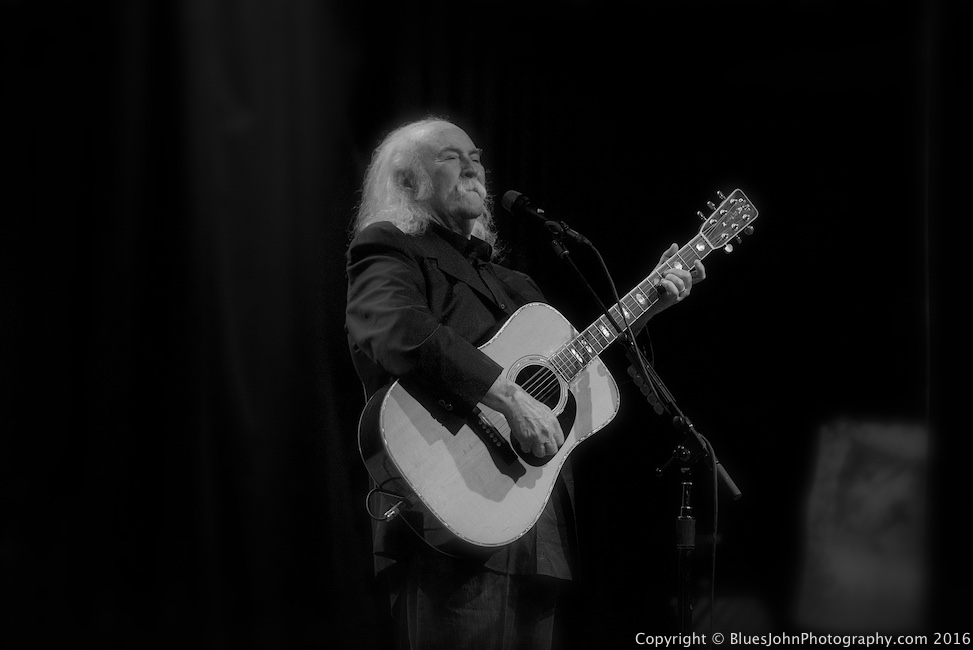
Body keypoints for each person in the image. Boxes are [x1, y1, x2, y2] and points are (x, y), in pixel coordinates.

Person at [345, 117, 704, 649]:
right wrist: (509, 398)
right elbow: (397, 330)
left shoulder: (514, 284)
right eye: (450, 156)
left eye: (477, 157)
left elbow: (577, 363)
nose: (474, 166)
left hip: (536, 520)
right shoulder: (389, 246)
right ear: (407, 183)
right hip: (447, 508)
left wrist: (651, 304)